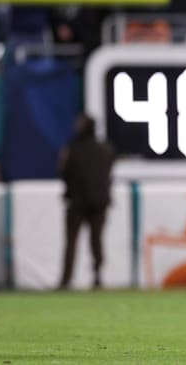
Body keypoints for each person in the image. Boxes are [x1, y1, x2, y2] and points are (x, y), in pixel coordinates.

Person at [58, 114, 115, 289]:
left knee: (72, 243)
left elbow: (63, 172)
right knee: (96, 242)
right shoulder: (105, 149)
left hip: (78, 203)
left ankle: (67, 280)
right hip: (99, 203)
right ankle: (97, 278)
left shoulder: (73, 149)